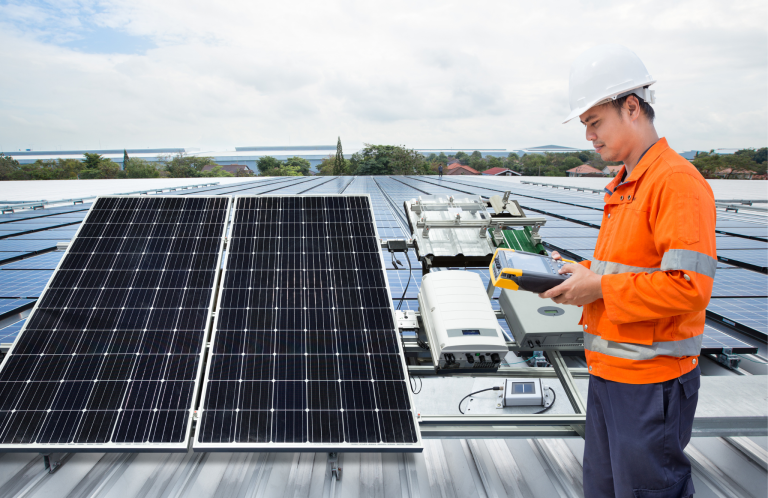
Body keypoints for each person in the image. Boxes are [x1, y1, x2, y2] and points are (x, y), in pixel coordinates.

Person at [540, 44, 716, 498]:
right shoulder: (626, 184)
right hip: (612, 374)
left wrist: (598, 285)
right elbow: (629, 269)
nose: (589, 138)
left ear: (632, 107)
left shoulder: (674, 183)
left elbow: (688, 288)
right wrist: (583, 275)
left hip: (651, 382)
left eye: (594, 123)